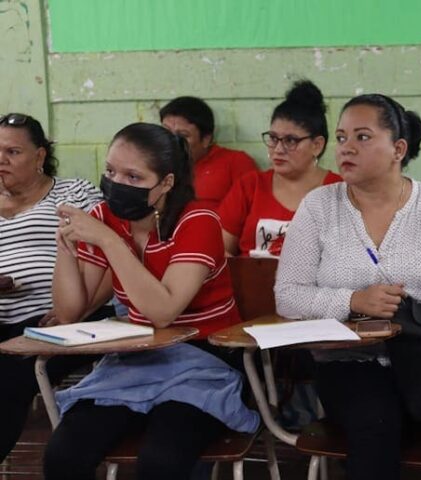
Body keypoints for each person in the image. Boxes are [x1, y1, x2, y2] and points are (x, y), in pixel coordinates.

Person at [275, 94, 421, 480]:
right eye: (342, 137)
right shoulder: (318, 207)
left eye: (362, 137)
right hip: (350, 363)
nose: (347, 147)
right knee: (376, 424)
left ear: (398, 149)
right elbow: (288, 294)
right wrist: (352, 300)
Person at [44, 123, 258, 480]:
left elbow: (162, 311)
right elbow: (68, 312)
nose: (115, 184)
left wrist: (110, 243)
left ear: (167, 183)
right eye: (110, 171)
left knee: (161, 461)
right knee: (63, 453)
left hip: (204, 359)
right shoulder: (105, 217)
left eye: (133, 176)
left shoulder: (198, 221)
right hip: (136, 357)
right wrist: (65, 246)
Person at [0, 113, 107, 462]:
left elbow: (108, 256)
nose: (1, 160)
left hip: (60, 320)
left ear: (41, 156)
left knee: (8, 381)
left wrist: (78, 313)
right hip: (3, 317)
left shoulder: (74, 192)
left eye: (12, 152)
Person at [218, 80, 342, 257]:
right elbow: (220, 248)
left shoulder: (340, 192)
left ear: (317, 145)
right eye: (274, 138)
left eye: (291, 141)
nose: (278, 149)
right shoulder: (250, 186)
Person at [160, 96, 257, 209]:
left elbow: (253, 212)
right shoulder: (154, 164)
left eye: (182, 136)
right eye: (165, 132)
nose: (171, 141)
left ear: (206, 139)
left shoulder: (235, 162)